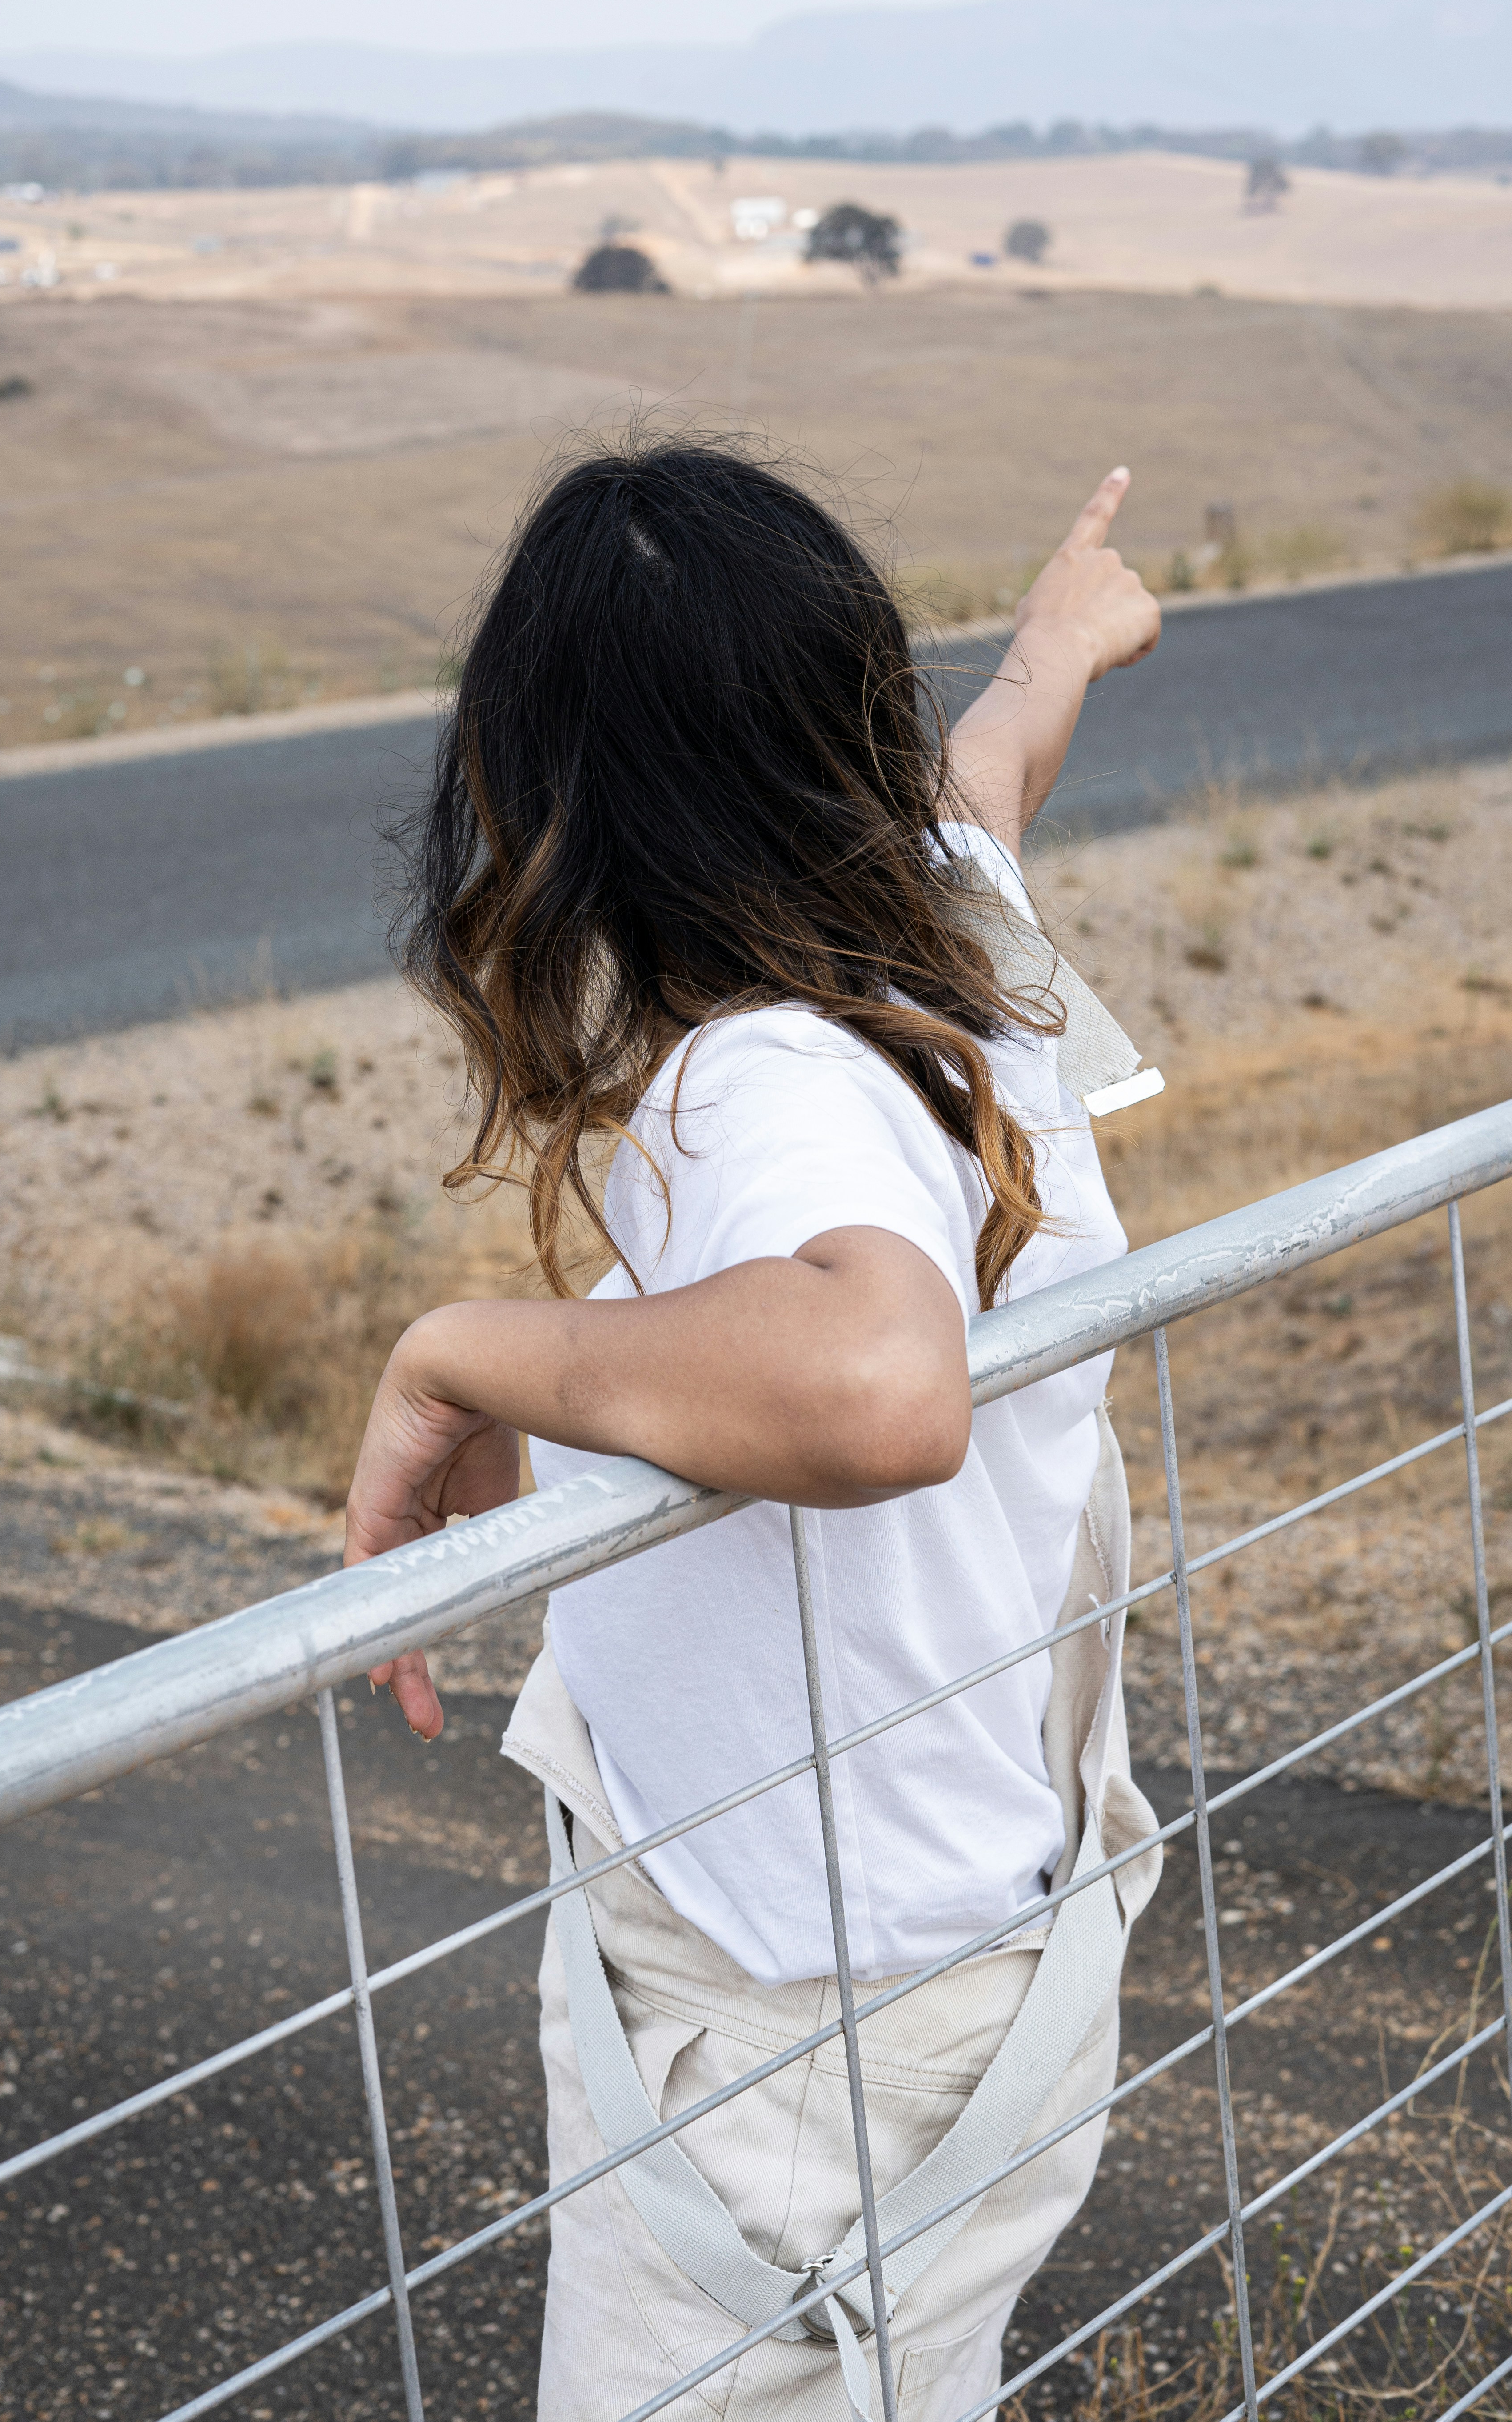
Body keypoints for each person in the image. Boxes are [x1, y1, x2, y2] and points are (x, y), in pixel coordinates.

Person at [345, 434, 1164, 2420]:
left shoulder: (759, 1080)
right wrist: (1062, 640)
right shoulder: (955, 941)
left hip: (793, 2038)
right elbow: (993, 772)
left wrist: (463, 1353)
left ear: (551, 799)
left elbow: (880, 1387)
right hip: (973, 1955)